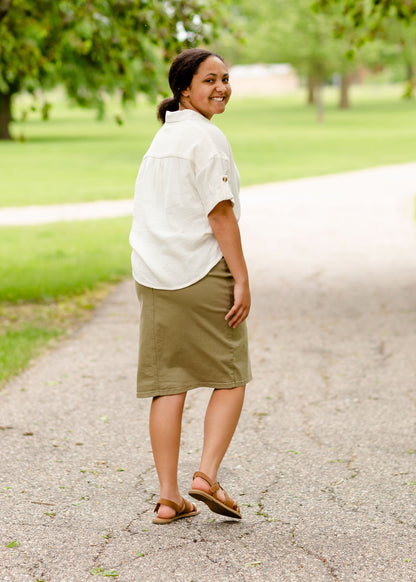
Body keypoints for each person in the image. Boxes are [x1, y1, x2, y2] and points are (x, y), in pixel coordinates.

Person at [129, 48, 252, 525]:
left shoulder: (161, 140)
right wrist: (241, 277)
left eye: (225, 79)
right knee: (231, 375)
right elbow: (220, 214)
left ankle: (168, 497)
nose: (221, 87)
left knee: (169, 385)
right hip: (202, 271)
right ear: (185, 89)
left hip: (156, 277)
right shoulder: (206, 138)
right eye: (210, 80)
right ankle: (205, 476)